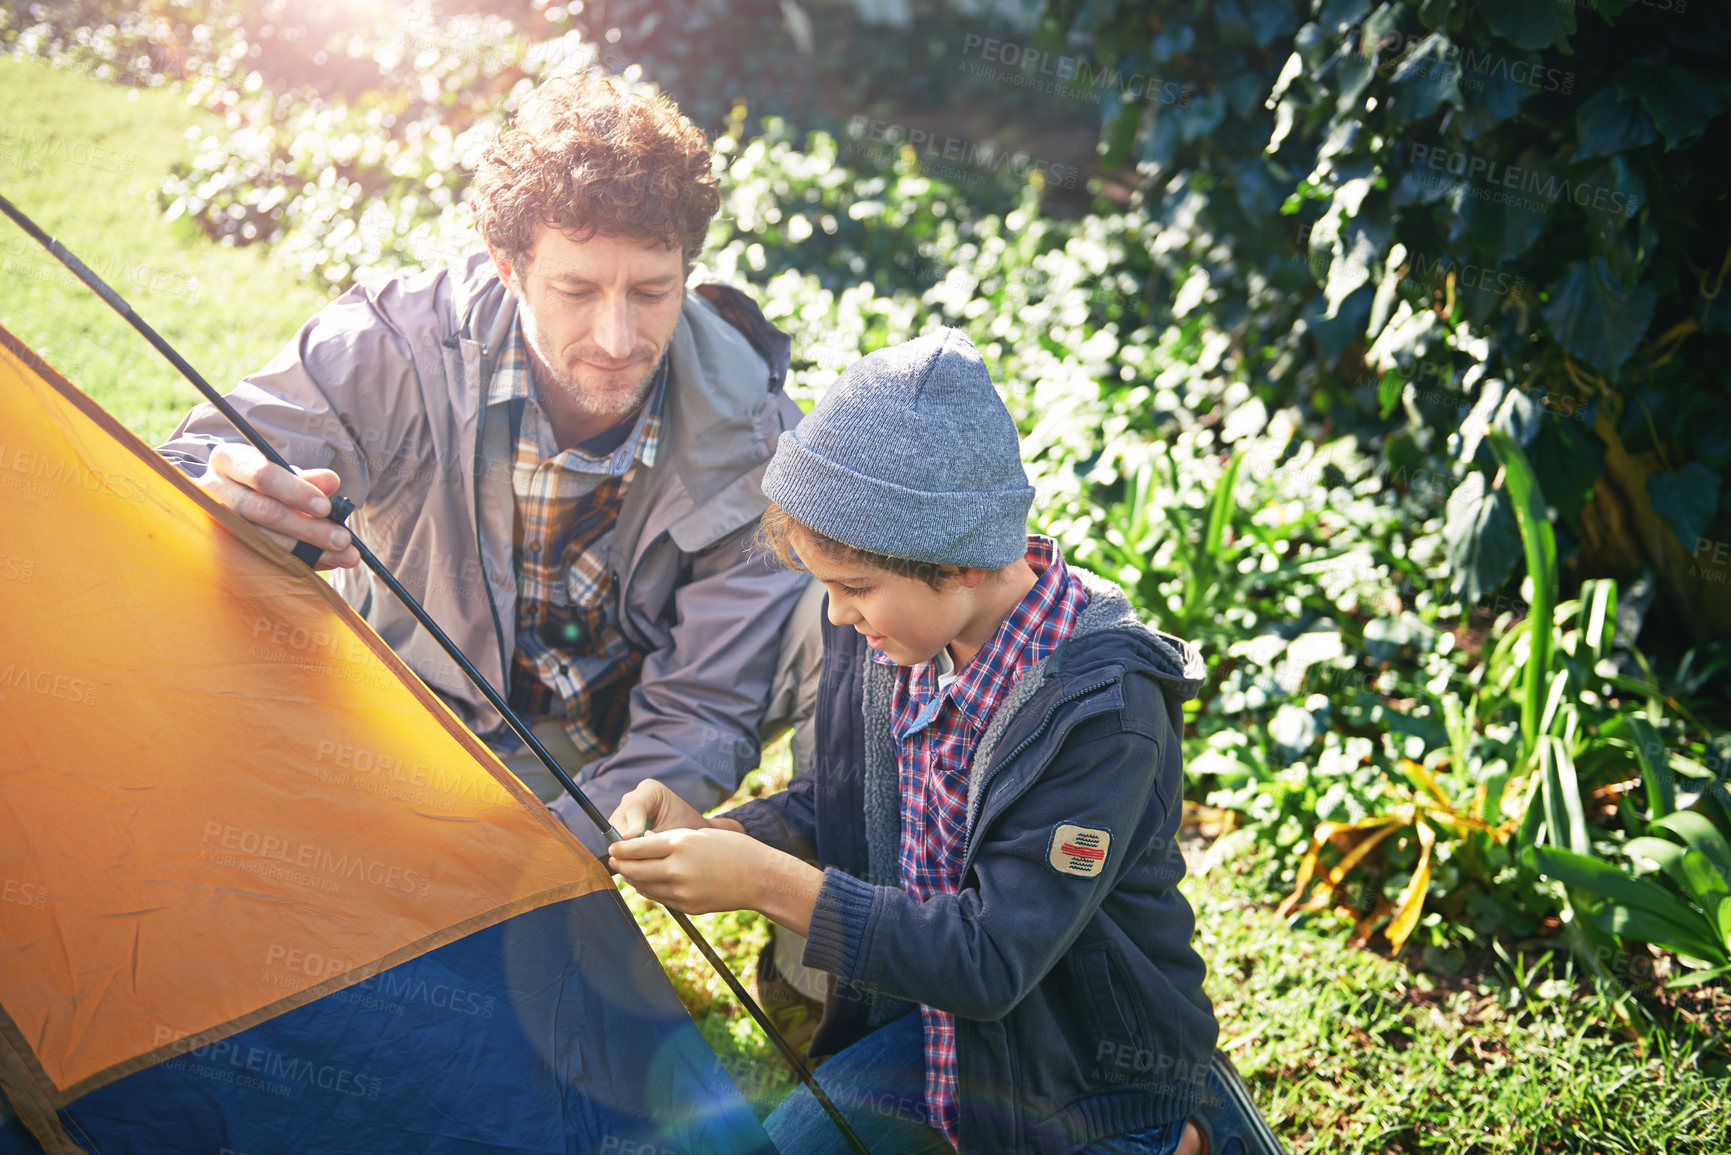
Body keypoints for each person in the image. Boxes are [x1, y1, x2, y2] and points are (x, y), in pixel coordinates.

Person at [608, 329, 1283, 1154]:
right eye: (824, 586)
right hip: (939, 1048)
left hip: (1078, 1074)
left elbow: (990, 958)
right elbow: (837, 802)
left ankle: (1182, 1131)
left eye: (853, 588)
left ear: (963, 563)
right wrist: (726, 834)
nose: (835, 615)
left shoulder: (1100, 709)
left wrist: (761, 881)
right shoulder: (891, 637)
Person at [155, 72, 823, 855]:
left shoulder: (752, 431)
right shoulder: (392, 344)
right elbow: (188, 464)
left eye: (651, 290)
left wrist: (558, 865)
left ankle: (831, 958)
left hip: (608, 756)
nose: (617, 337)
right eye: (575, 289)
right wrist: (210, 494)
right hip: (410, 715)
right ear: (509, 270)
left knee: (845, 616)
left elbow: (701, 709)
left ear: (686, 273)